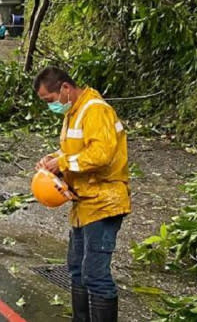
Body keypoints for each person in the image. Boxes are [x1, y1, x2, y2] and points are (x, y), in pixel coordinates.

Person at [33, 66, 130, 322]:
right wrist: (53, 159)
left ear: (65, 88)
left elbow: (101, 155)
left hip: (104, 201)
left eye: (50, 101)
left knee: (95, 274)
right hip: (84, 203)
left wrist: (62, 164)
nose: (50, 107)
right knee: (76, 270)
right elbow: (76, 151)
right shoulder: (73, 113)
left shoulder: (95, 110)